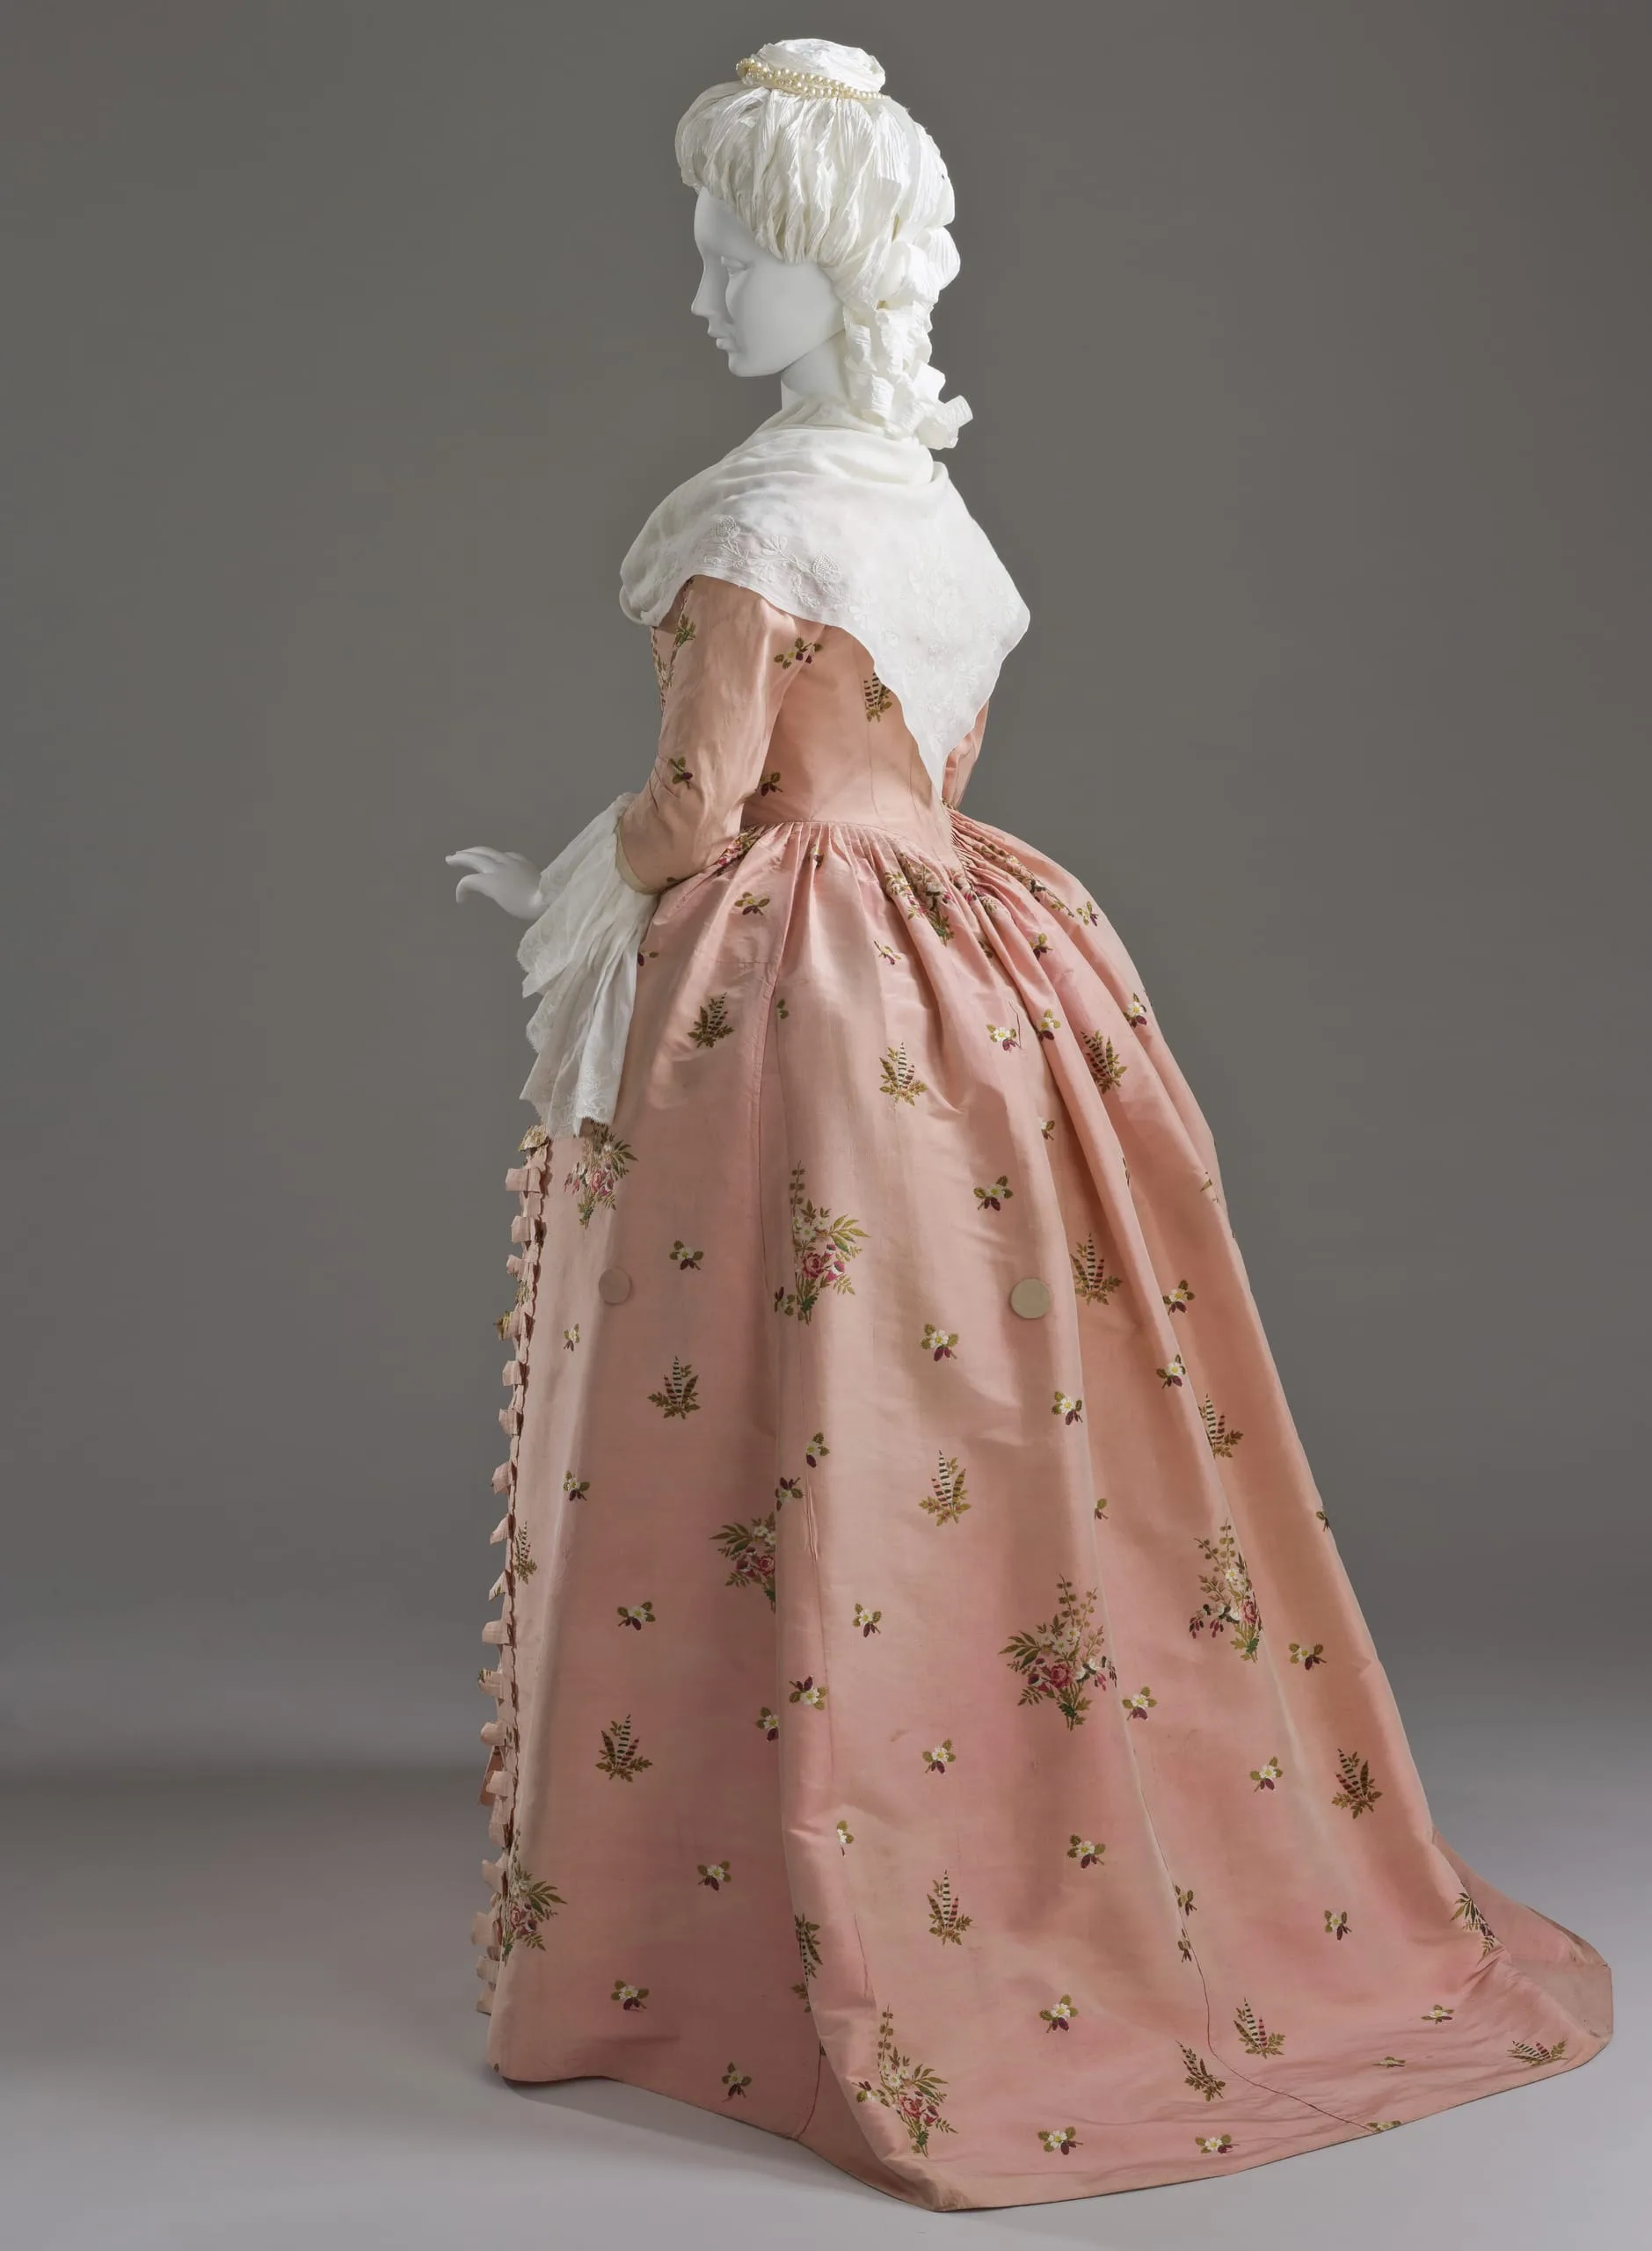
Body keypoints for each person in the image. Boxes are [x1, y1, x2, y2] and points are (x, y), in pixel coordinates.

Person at [444, 38, 1611, 2214]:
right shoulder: (935, 513)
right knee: (961, 1397)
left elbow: (701, 805)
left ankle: (722, 1884)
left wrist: (567, 889)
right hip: (976, 979)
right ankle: (973, 1804)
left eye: (728, 249)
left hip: (793, 995)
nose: (702, 291)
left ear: (821, 260)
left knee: (754, 1393)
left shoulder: (754, 521)